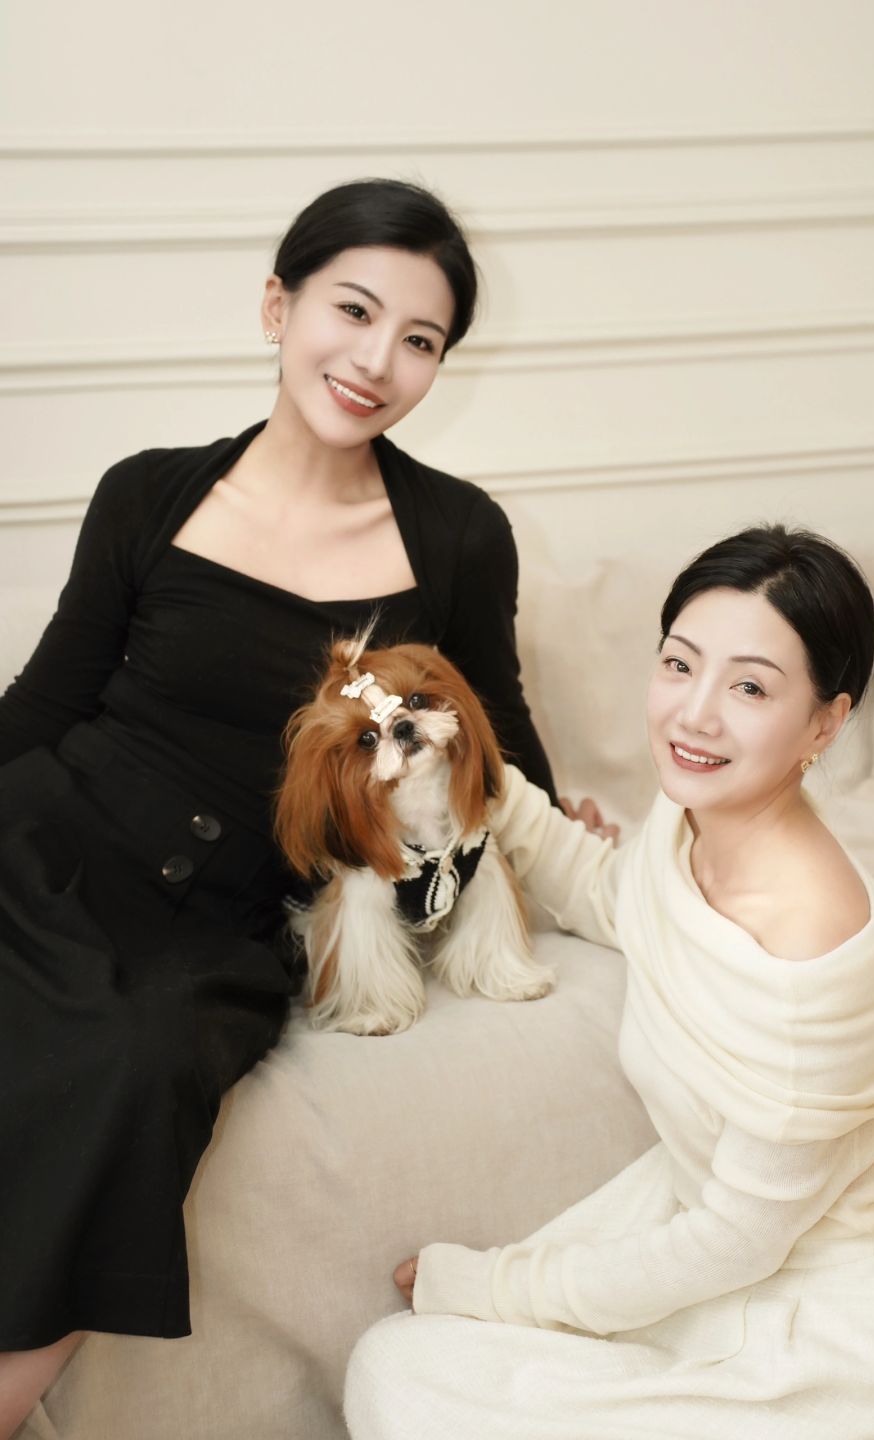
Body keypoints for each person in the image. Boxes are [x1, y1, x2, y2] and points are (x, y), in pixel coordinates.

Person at [0, 178, 574, 1437]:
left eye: (419, 339)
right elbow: (45, 703)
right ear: (278, 307)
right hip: (43, 831)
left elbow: (496, 740)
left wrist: (578, 840)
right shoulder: (149, 493)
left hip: (216, 916)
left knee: (133, 1061)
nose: (376, 361)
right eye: (352, 311)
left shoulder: (459, 535)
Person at [346, 524, 874, 1440]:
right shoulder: (687, 824)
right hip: (716, 1297)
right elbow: (615, 897)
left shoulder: (813, 948)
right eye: (680, 665)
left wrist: (493, 1285)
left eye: (750, 687)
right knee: (395, 1368)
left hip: (828, 1351)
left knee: (414, 1379)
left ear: (827, 722)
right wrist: (474, 776)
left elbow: (733, 1242)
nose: (695, 715)